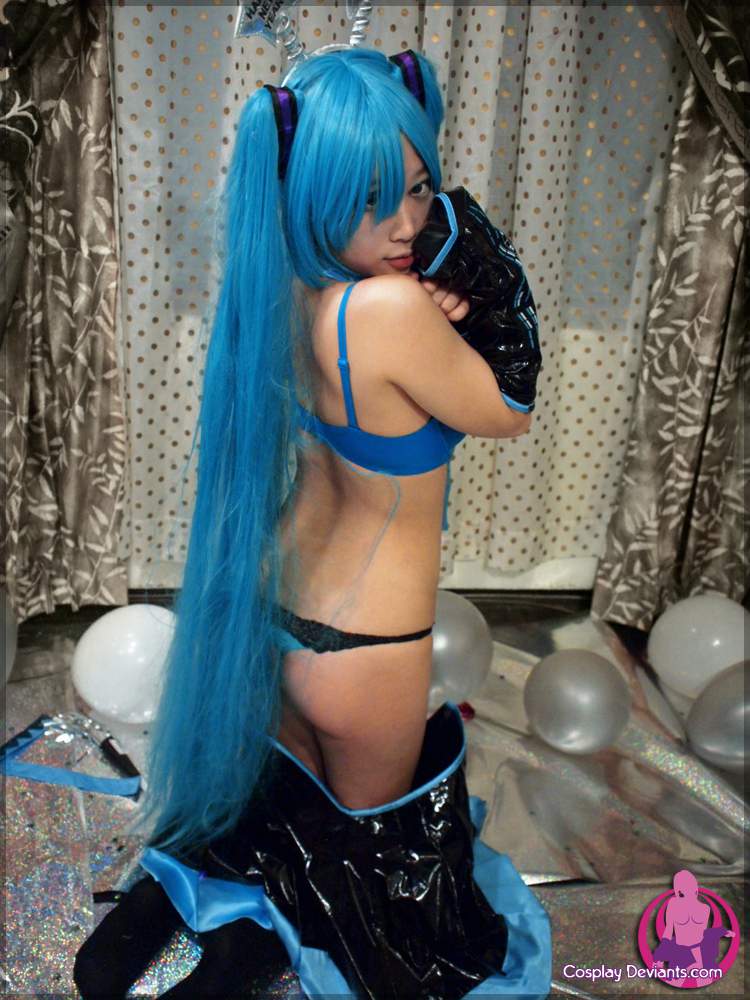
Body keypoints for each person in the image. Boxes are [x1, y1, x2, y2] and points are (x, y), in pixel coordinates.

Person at [74, 48, 550, 999]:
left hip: (282, 603)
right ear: (315, 196)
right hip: (368, 645)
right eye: (372, 200)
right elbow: (510, 407)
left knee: (281, 823)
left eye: (420, 189)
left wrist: (438, 313)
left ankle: (194, 933)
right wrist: (476, 284)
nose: (408, 224)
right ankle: (255, 959)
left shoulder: (288, 291)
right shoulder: (392, 308)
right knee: (371, 881)